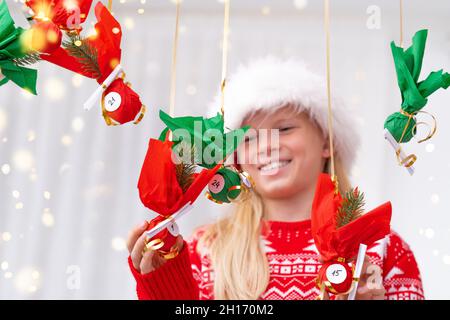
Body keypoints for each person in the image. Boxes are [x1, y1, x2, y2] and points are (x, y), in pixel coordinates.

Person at [127, 57, 424, 300]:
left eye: (284, 129)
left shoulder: (381, 249)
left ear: (327, 143)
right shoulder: (203, 249)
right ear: (237, 158)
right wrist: (163, 289)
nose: (266, 146)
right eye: (249, 137)